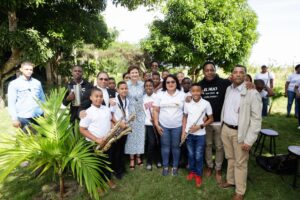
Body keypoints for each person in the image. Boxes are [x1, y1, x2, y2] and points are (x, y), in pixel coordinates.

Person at [220, 65, 262, 200]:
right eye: (235, 72)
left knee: (240, 163)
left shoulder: (252, 92)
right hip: (226, 129)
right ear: (231, 75)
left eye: (241, 72)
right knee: (230, 158)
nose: (238, 74)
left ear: (245, 75)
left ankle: (240, 191)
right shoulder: (228, 89)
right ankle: (231, 181)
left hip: (240, 133)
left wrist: (249, 140)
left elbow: (256, 119)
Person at [198, 61, 231, 183]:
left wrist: (249, 84)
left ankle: (218, 168)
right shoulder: (199, 84)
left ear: (215, 70)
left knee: (219, 146)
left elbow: (238, 86)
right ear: (203, 72)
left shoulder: (225, 83)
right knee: (208, 145)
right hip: (205, 123)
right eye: (206, 70)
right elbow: (194, 96)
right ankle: (209, 166)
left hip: (220, 122)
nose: (209, 72)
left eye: (211, 69)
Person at [79, 87, 116, 189]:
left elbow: (110, 121)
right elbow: (82, 129)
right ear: (91, 97)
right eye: (96, 96)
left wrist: (113, 129)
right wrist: (96, 139)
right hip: (95, 143)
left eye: (100, 96)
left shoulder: (106, 109)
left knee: (108, 161)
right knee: (98, 164)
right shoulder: (88, 112)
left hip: (107, 141)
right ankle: (97, 184)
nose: (99, 98)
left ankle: (108, 179)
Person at [153, 74, 186, 176]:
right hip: (164, 126)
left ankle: (175, 166)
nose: (170, 84)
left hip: (177, 126)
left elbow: (185, 114)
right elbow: (155, 111)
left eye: (173, 82)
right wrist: (157, 125)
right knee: (165, 147)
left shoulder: (182, 95)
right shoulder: (160, 94)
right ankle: (165, 166)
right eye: (168, 82)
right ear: (165, 84)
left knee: (176, 147)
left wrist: (184, 130)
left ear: (176, 83)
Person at [182, 83, 213, 187]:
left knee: (198, 155)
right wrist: (184, 132)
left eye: (198, 91)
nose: (195, 93)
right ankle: (192, 171)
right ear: (190, 92)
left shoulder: (206, 103)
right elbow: (185, 117)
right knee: (190, 154)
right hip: (189, 134)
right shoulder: (187, 103)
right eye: (193, 91)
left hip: (200, 134)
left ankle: (198, 174)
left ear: (202, 92)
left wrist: (200, 126)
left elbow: (211, 119)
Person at [8, 61, 45, 129]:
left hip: (39, 116)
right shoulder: (14, 84)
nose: (29, 71)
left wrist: (45, 111)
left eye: (31, 69)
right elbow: (11, 103)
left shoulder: (37, 83)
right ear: (21, 69)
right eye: (26, 69)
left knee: (41, 138)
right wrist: (14, 119)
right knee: (26, 138)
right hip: (24, 118)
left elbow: (42, 99)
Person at [125, 66, 145, 169]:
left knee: (140, 136)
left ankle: (139, 156)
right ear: (129, 74)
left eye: (136, 72)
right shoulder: (126, 85)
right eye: (132, 73)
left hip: (141, 113)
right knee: (131, 136)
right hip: (131, 113)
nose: (134, 74)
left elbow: (147, 96)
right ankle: (132, 159)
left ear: (139, 74)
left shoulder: (142, 85)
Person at [111, 81, 130, 179]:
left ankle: (121, 167)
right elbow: (111, 116)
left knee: (122, 148)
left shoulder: (127, 100)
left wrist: (125, 124)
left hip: (124, 127)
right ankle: (117, 171)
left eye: (126, 88)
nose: (124, 90)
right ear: (117, 90)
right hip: (117, 128)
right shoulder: (114, 101)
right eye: (122, 89)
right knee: (117, 150)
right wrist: (119, 124)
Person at [143, 79, 161, 170]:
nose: (148, 87)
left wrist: (156, 118)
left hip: (157, 123)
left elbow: (160, 109)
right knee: (151, 143)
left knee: (158, 142)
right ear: (144, 87)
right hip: (149, 123)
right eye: (147, 85)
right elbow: (142, 111)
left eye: (150, 85)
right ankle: (149, 161)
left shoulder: (157, 97)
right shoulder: (143, 98)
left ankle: (158, 160)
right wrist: (150, 119)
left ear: (153, 87)